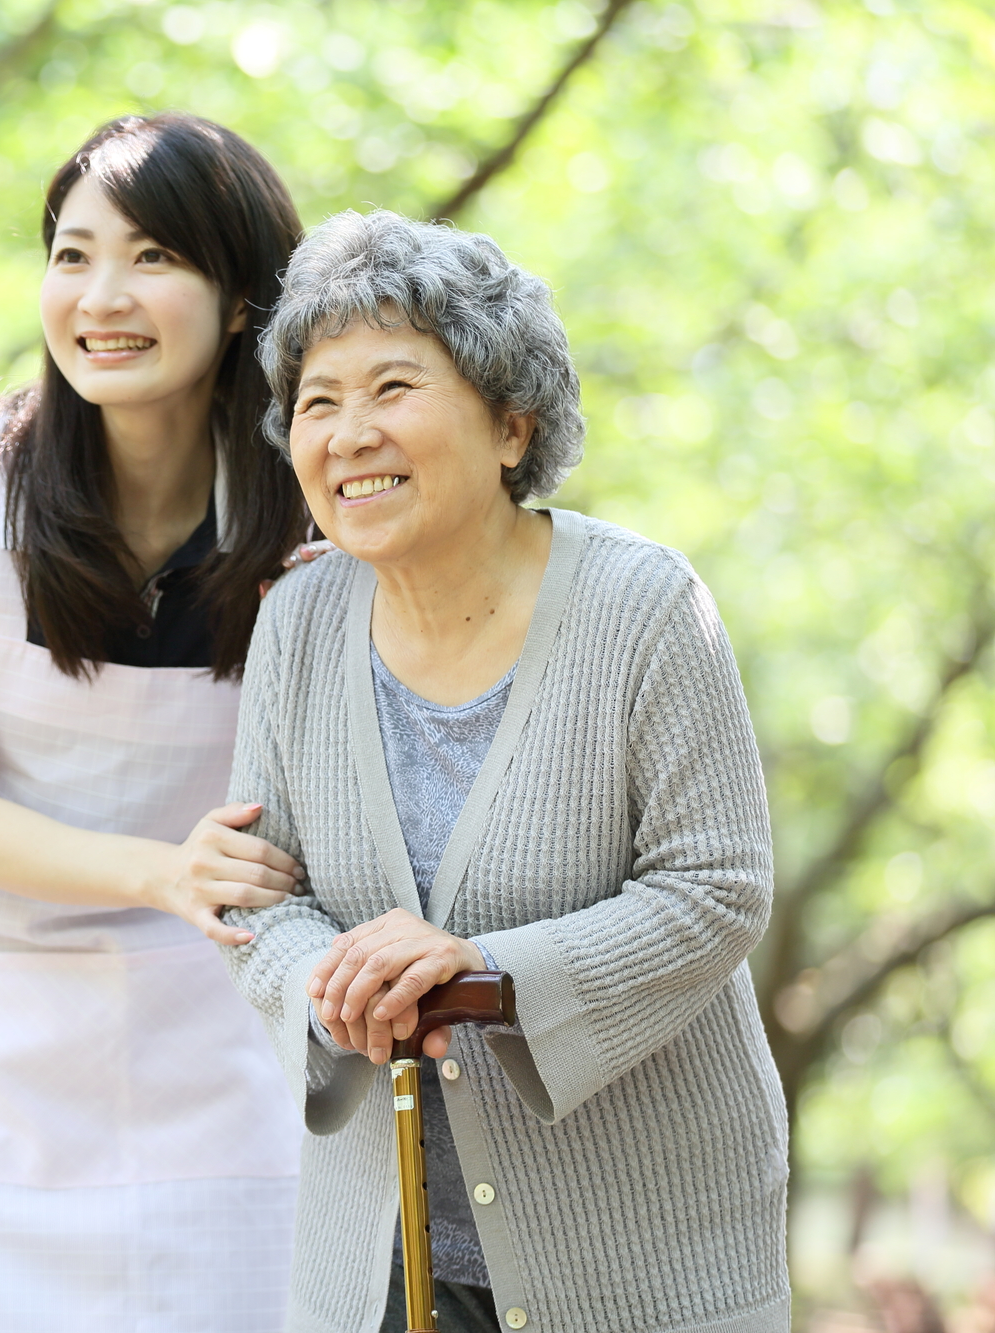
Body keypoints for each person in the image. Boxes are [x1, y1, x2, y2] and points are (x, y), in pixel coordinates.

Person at [221, 210, 789, 1333]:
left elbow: (717, 887)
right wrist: (340, 984)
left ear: (510, 424)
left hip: (640, 1263)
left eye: (392, 388)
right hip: (380, 1258)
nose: (348, 433)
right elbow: (258, 890)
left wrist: (486, 971)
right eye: (318, 403)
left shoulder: (644, 608)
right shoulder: (294, 622)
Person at [0, 115, 312, 1332]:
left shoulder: (307, 510)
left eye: (151, 258)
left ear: (242, 297)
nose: (100, 296)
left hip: (219, 1023)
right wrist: (166, 871)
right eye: (71, 256)